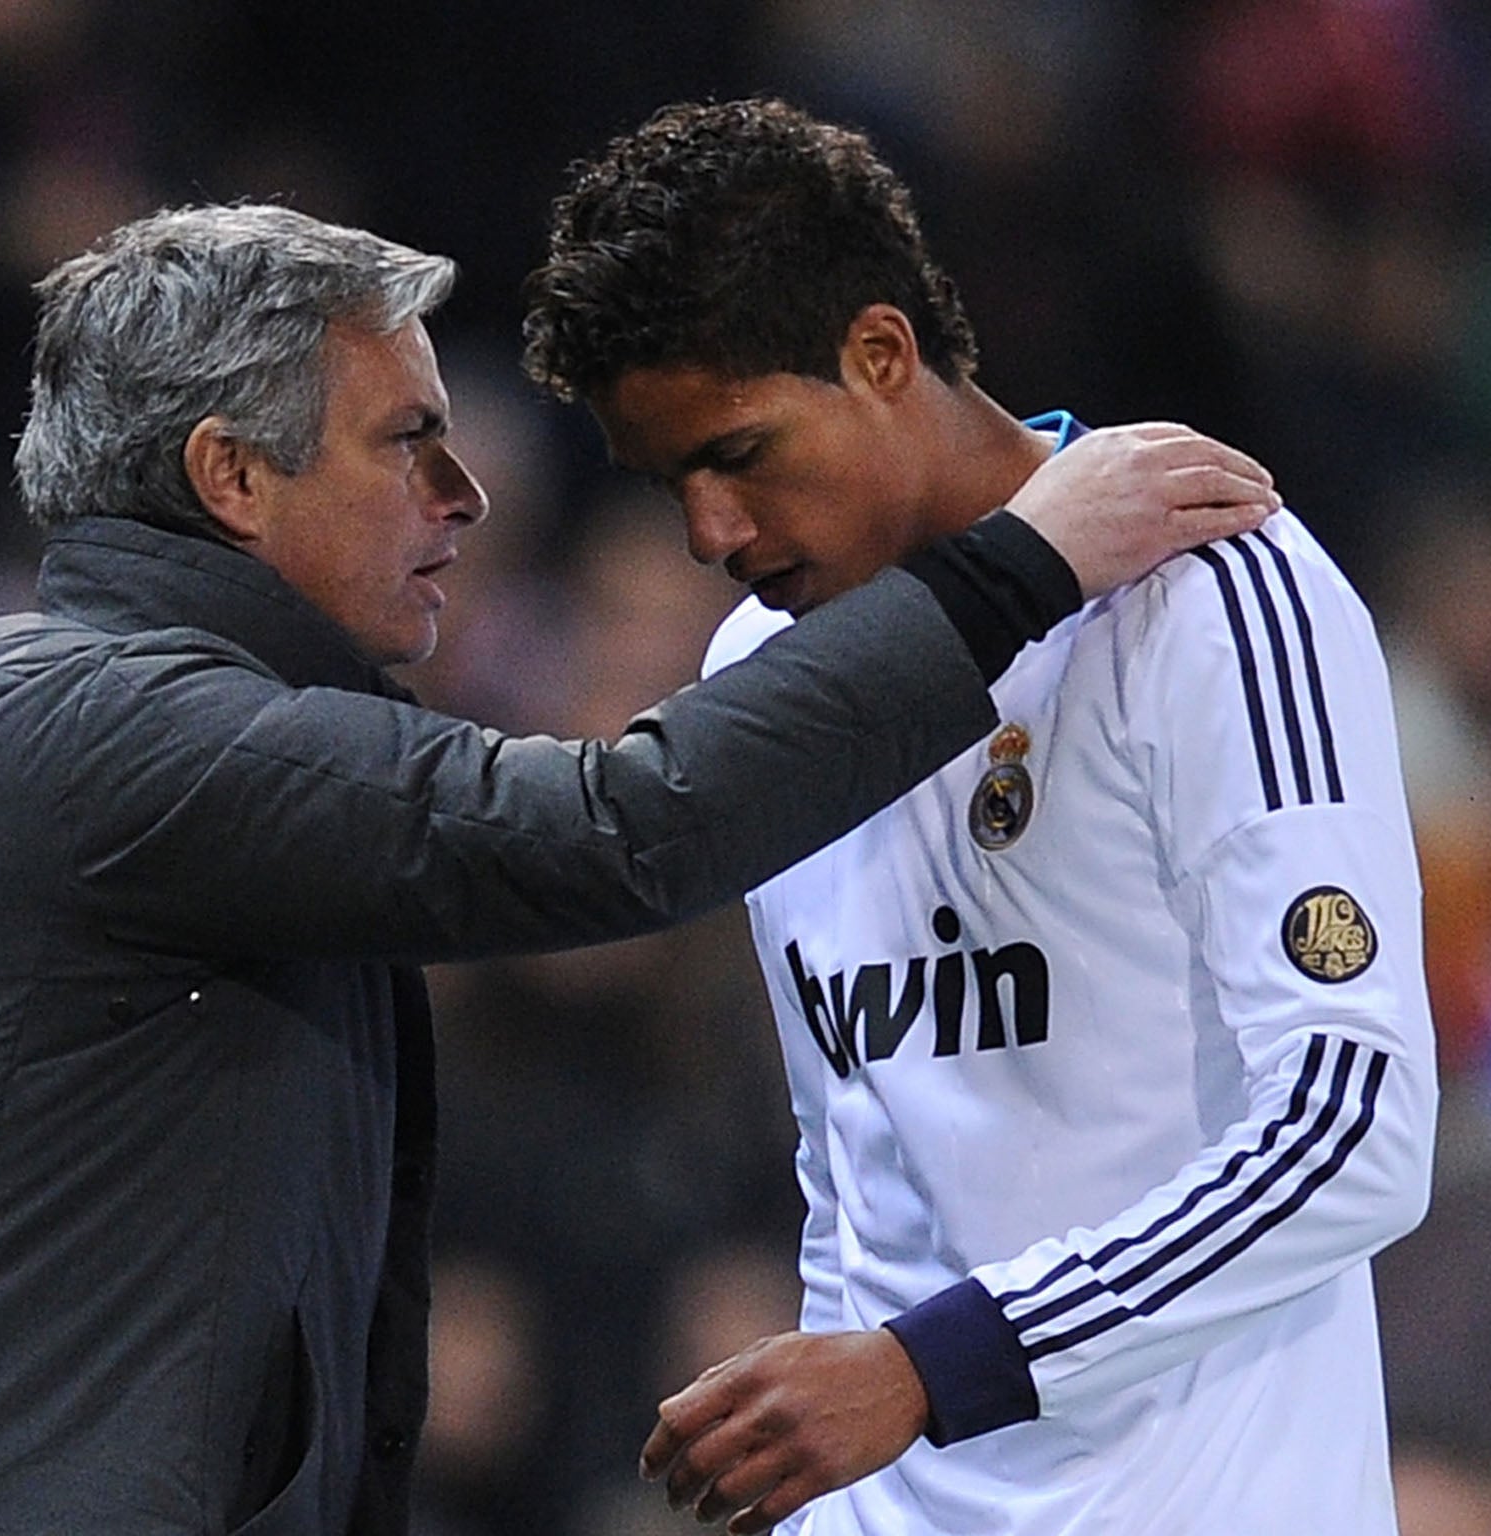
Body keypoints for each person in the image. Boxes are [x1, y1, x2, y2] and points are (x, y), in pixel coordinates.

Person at [0, 202, 1273, 1536]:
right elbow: (612, 828)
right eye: (406, 442)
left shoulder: (179, 733)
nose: (466, 496)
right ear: (230, 477)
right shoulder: (91, 719)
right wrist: (1018, 565)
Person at [522, 99, 1436, 1536]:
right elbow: (860, 1170)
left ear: (882, 355)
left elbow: (1352, 1124)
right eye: (669, 482)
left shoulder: (1211, 596)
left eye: (741, 453)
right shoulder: (758, 674)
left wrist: (935, 1367)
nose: (709, 534)